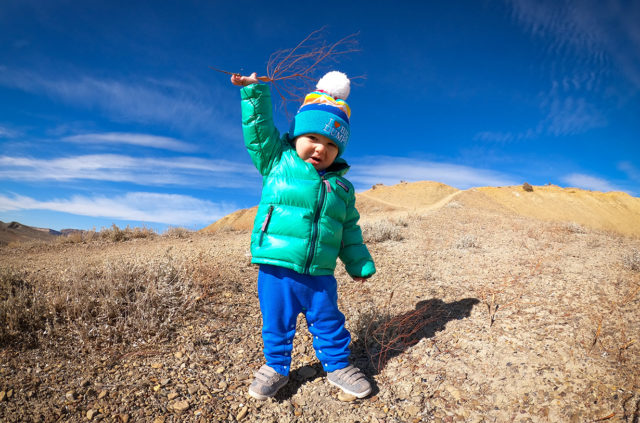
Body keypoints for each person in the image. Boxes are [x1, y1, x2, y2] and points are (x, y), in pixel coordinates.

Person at [231, 70, 376, 400]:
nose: (320, 149)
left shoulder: (341, 187)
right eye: (312, 138)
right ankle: (275, 366)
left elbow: (348, 230)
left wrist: (359, 263)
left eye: (330, 144)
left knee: (328, 320)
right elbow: (258, 132)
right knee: (277, 322)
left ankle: (338, 365)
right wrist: (254, 93)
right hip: (277, 267)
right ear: (296, 136)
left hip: (320, 273)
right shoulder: (276, 161)